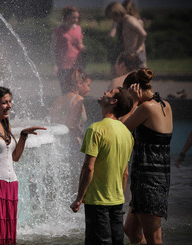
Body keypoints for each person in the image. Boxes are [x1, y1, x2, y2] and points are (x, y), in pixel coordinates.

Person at [0, 85, 46, 245]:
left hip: (11, 185)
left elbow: (15, 157)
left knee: (6, 235)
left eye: (10, 102)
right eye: (4, 102)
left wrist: (23, 136)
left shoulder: (5, 126)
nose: (9, 106)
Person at [70, 87, 134, 245]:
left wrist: (79, 198)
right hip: (117, 202)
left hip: (97, 203)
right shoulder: (127, 133)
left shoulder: (95, 129)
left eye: (110, 92)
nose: (104, 92)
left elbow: (88, 168)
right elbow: (125, 173)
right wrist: (119, 198)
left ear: (113, 102)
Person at [121, 68, 173, 245]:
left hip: (149, 181)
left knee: (154, 239)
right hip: (155, 178)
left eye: (127, 93)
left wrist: (134, 102)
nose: (126, 99)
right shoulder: (165, 105)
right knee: (131, 230)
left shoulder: (146, 108)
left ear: (135, 88)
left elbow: (121, 129)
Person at [49, 68, 90, 147]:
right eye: (88, 85)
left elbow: (51, 122)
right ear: (80, 83)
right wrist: (87, 139)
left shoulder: (58, 100)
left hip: (57, 144)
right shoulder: (78, 100)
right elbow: (71, 127)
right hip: (71, 145)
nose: (89, 89)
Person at [51, 6, 86, 94]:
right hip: (63, 64)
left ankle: (76, 106)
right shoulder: (58, 30)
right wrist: (54, 64)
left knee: (77, 89)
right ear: (67, 17)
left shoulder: (78, 28)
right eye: (73, 17)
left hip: (77, 63)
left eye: (77, 17)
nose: (76, 20)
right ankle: (66, 107)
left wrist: (85, 48)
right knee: (65, 90)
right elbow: (53, 48)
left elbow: (80, 45)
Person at [106, 2, 147, 68]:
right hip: (131, 54)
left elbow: (143, 34)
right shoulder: (125, 22)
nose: (114, 20)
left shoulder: (130, 21)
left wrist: (136, 48)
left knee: (142, 75)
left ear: (118, 13)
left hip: (137, 53)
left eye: (114, 18)